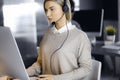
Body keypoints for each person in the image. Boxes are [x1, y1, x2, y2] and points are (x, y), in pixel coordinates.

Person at [27, 0, 92, 80]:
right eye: (46, 10)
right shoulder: (48, 33)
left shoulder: (80, 36)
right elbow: (40, 63)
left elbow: (86, 69)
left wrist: (56, 78)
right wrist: (25, 73)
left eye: (52, 9)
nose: (47, 14)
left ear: (64, 9)